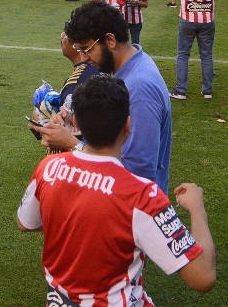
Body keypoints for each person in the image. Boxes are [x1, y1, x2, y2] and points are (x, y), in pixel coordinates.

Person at [17, 75, 216, 306]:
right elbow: (203, 277)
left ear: (77, 125)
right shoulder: (142, 196)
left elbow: (26, 223)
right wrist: (197, 209)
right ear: (128, 124)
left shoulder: (48, 168)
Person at [34, 0, 173, 190]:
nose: (83, 58)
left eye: (86, 49)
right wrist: (74, 122)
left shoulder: (139, 87)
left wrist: (72, 145)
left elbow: (138, 172)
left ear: (110, 40)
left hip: (131, 211)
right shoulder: (128, 67)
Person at [165, 0, 222, 100]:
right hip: (207, 19)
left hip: (188, 18)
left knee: (183, 54)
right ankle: (207, 90)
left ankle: (180, 90)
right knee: (206, 55)